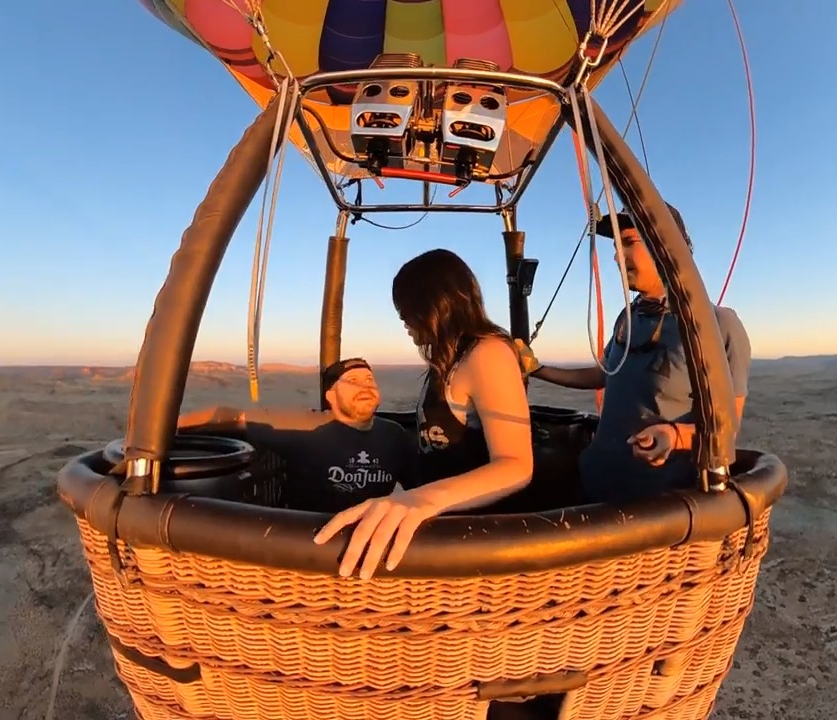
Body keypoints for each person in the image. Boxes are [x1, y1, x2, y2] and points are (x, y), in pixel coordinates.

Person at [313, 249, 534, 579]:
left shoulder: (487, 354)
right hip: (446, 537)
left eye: (405, 306)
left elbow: (517, 466)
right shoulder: (446, 363)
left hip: (481, 547)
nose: (402, 317)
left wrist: (419, 500)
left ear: (433, 303)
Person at [517, 204, 752, 503]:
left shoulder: (717, 326)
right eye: (616, 245)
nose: (616, 256)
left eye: (628, 242)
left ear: (667, 247)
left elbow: (726, 430)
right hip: (595, 486)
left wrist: (674, 436)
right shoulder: (628, 318)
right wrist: (537, 369)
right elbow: (606, 373)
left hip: (652, 512)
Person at [176, 358, 414, 513]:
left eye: (370, 380)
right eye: (352, 380)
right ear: (330, 396)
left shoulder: (394, 435)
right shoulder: (303, 426)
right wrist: (163, 429)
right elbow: (227, 415)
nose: (366, 387)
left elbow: (420, 489)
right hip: (304, 540)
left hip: (366, 541)